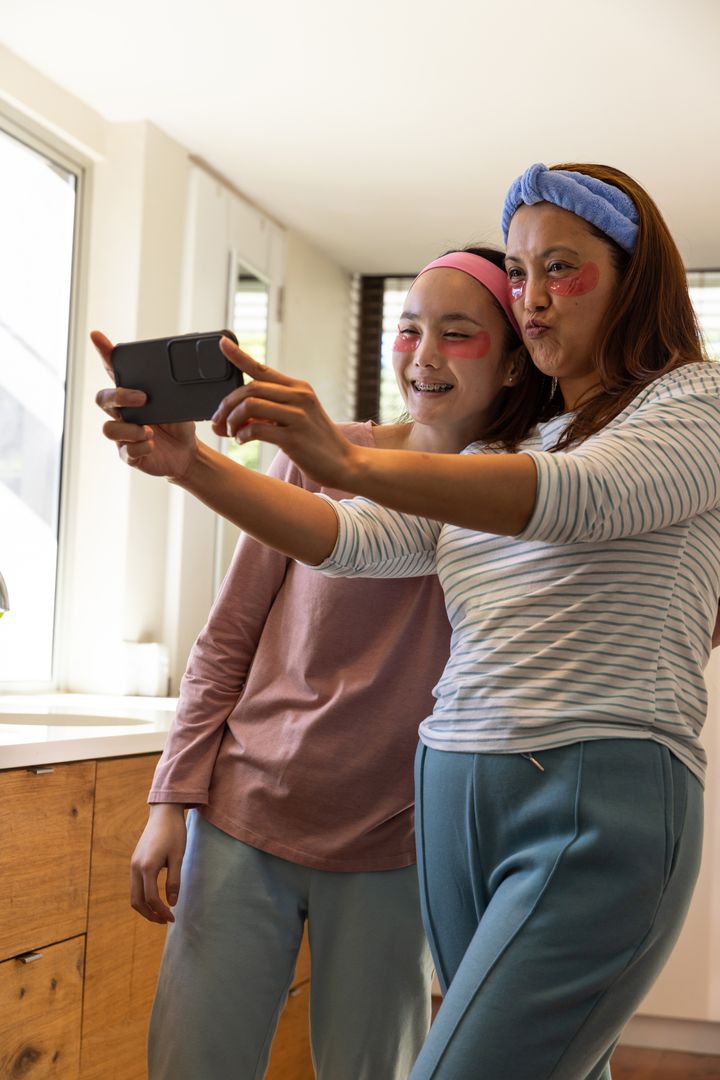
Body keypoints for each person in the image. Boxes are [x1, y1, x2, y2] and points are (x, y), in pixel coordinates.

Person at [97, 162, 720, 1079]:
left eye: (563, 268)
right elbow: (351, 541)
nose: (535, 296)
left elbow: (578, 500)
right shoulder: (522, 444)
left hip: (590, 782)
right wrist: (192, 465)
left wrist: (343, 459)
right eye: (520, 271)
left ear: (637, 278)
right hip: (454, 791)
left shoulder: (692, 404)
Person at [94, 246, 549, 1080]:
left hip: (397, 844)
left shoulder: (526, 502)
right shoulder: (315, 455)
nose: (425, 354)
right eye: (409, 329)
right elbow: (227, 638)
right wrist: (171, 799)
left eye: (459, 333)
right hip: (243, 817)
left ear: (517, 362)